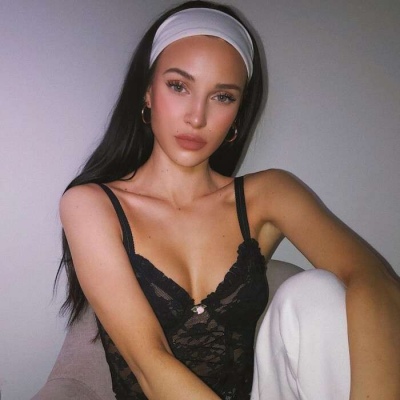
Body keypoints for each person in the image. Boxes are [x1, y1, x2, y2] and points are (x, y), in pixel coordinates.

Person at [56, 1, 400, 399]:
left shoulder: (268, 194)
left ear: (238, 113)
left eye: (222, 97)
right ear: (147, 92)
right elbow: (149, 362)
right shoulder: (91, 205)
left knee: (317, 291)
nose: (197, 117)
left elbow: (374, 278)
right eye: (178, 86)